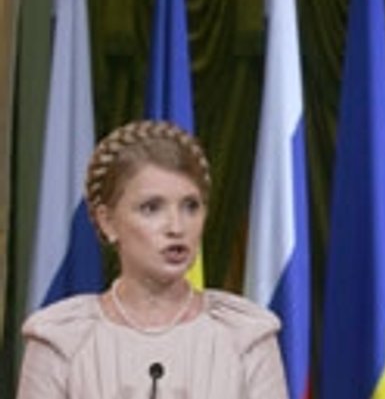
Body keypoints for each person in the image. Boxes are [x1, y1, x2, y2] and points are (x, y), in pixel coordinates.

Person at [17, 120, 289, 399]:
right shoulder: (62, 340)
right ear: (107, 221)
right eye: (151, 208)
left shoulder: (246, 337)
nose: (176, 227)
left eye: (190, 206)